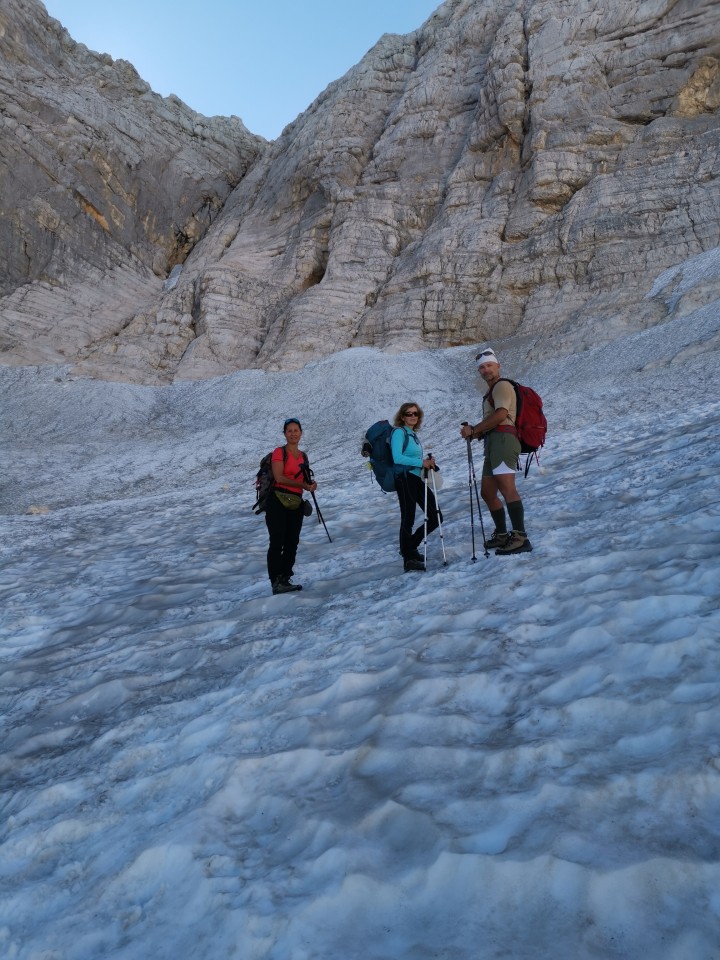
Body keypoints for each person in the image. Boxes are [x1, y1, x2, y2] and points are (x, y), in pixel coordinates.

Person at [460, 348, 532, 554]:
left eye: (489, 365)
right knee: (488, 492)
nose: (485, 370)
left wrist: (475, 429)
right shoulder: (490, 392)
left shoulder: (502, 386)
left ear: (498, 366)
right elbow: (493, 420)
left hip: (504, 440)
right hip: (493, 442)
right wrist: (475, 433)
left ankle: (520, 537)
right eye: (481, 367)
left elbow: (501, 414)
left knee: (506, 487)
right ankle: (502, 535)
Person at [265, 417, 317, 594]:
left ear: (301, 433)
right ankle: (276, 581)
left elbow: (304, 479)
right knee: (277, 540)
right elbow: (279, 477)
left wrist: (310, 485)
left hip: (295, 501)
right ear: (285, 434)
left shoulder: (303, 456)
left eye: (296, 430)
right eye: (290, 431)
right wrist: (303, 485)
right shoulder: (279, 452)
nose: (293, 433)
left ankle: (285, 578)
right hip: (277, 500)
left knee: (292, 541)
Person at [391, 402, 439, 572]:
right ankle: (409, 557)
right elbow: (397, 458)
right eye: (408, 413)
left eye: (415, 413)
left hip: (416, 478)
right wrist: (421, 462)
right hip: (404, 479)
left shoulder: (412, 434)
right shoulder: (399, 432)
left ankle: (409, 548)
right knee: (408, 518)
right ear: (402, 416)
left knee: (436, 516)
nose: (412, 416)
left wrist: (427, 463)